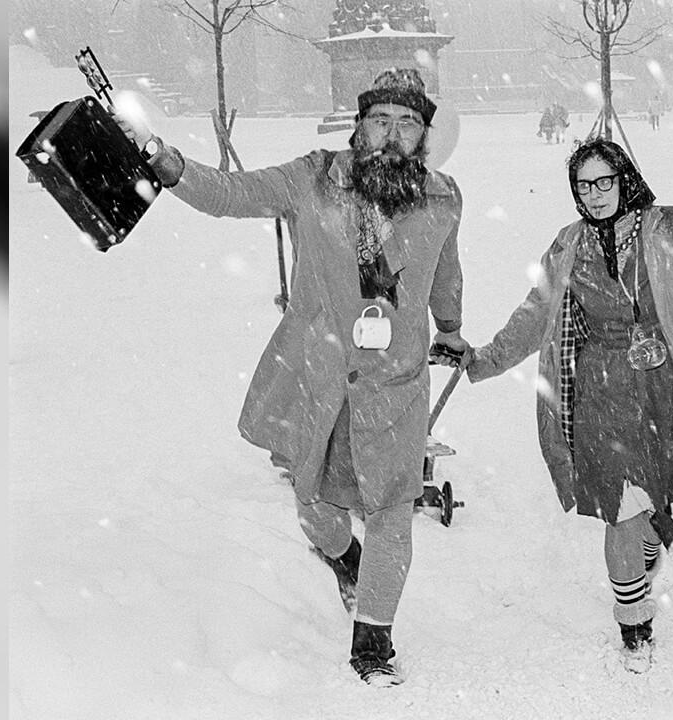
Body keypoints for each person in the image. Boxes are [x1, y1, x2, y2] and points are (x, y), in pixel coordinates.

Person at [115, 67, 471, 687]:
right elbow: (232, 192)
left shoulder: (442, 196)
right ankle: (343, 557)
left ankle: (373, 641)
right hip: (319, 374)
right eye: (381, 119)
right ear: (358, 126)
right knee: (312, 504)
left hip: (396, 384)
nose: (393, 134)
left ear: (424, 137)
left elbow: (447, 269)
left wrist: (450, 326)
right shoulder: (313, 177)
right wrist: (169, 164)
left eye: (409, 123)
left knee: (391, 508)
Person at [464, 137, 673, 673]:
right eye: (583, 185)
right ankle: (635, 627)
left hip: (669, 385)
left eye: (604, 182)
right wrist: (483, 361)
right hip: (601, 391)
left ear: (626, 179)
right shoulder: (568, 245)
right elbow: (536, 314)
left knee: (654, 494)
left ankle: (653, 537)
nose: (594, 195)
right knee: (619, 509)